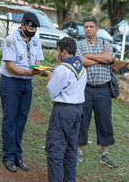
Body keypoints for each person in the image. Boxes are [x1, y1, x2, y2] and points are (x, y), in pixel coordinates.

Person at [0, 12, 44, 173]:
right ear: (23, 25)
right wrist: (32, 73)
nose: (32, 31)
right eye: (30, 28)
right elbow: (11, 66)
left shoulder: (36, 41)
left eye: (35, 29)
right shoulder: (11, 40)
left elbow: (37, 62)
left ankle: (18, 155)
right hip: (11, 83)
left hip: (27, 85)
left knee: (21, 120)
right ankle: (9, 156)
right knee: (10, 120)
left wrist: (40, 70)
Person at [76, 16, 117, 167]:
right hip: (85, 89)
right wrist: (101, 58)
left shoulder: (106, 43)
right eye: (86, 27)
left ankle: (105, 154)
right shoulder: (79, 45)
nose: (88, 29)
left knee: (104, 120)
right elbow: (81, 62)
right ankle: (78, 152)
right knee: (81, 120)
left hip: (103, 90)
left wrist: (90, 57)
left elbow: (110, 60)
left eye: (91, 26)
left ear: (97, 28)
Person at [44, 37, 87, 182]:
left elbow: (52, 92)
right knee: (70, 150)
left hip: (63, 111)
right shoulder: (82, 69)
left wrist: (49, 77)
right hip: (77, 111)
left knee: (55, 150)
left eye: (59, 51)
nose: (59, 54)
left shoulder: (62, 69)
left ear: (63, 50)